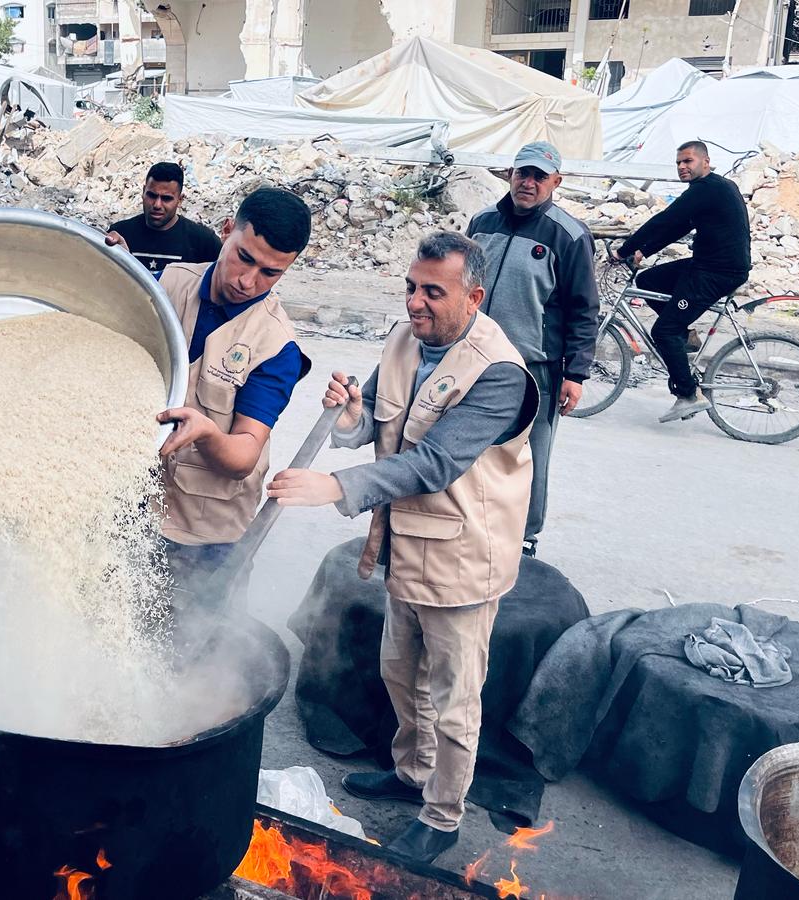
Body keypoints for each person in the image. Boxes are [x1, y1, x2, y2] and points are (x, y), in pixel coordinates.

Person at [268, 232, 538, 865]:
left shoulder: (499, 371)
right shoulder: (404, 338)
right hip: (403, 548)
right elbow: (374, 428)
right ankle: (411, 773)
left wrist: (336, 486)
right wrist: (350, 415)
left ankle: (443, 816)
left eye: (432, 292)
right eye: (411, 287)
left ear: (473, 296)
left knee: (453, 698)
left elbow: (437, 461)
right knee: (399, 672)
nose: (416, 302)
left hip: (464, 556)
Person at [154, 187, 311, 610]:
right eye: (244, 257)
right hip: (135, 512)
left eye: (270, 273)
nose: (248, 281)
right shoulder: (167, 285)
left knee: (203, 645)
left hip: (207, 536)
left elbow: (244, 454)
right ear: (227, 231)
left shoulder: (277, 345)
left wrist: (206, 433)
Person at [466, 141, 598, 558]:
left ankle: (524, 537)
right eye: (523, 172)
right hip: (474, 357)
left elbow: (583, 308)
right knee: (466, 442)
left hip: (534, 367)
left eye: (540, 176)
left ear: (556, 182)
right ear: (510, 174)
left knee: (530, 453)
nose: (529, 182)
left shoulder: (570, 236)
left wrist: (575, 374)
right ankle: (467, 523)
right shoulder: (482, 222)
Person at [614, 140, 752, 423]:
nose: (682, 167)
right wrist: (643, 251)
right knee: (648, 280)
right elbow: (678, 225)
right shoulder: (709, 189)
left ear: (706, 161)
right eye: (678, 162)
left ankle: (689, 394)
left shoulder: (708, 188)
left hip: (718, 272)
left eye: (688, 161)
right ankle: (685, 337)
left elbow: (665, 220)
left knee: (663, 331)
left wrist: (624, 250)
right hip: (707, 264)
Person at [105, 161, 223, 277]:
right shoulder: (120, 234)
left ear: (180, 200)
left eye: (166, 198)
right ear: (143, 192)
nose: (157, 205)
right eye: (152, 195)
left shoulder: (204, 242)